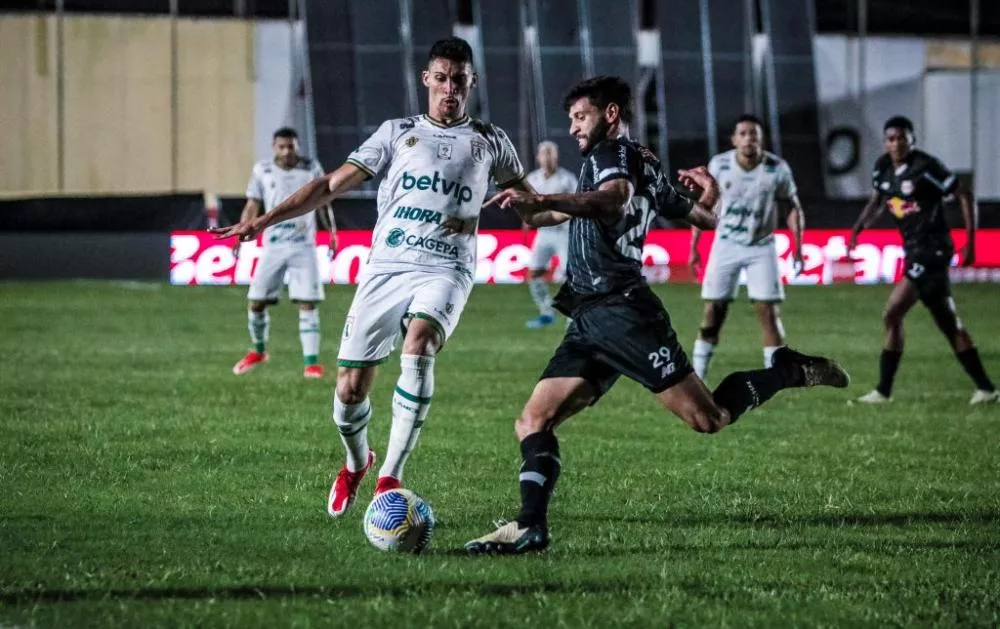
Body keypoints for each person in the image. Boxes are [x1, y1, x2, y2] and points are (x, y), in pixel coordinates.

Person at [463, 76, 849, 555]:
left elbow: (614, 199)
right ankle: (529, 527)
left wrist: (543, 198)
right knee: (532, 421)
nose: (573, 129)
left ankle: (787, 370)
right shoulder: (642, 161)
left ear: (609, 114)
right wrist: (710, 193)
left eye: (580, 117)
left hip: (625, 313)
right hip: (589, 316)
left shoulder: (611, 157)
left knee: (709, 418)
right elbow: (704, 219)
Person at [211, 37, 527, 516]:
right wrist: (263, 220)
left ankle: (389, 480)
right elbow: (329, 184)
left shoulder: (491, 141)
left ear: (472, 83)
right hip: (386, 267)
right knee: (349, 389)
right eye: (442, 79)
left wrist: (581, 204)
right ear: (426, 79)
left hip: (447, 267)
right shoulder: (397, 133)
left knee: (420, 344)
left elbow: (536, 207)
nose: (450, 89)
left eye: (459, 81)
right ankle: (358, 462)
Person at [847, 116, 997, 406]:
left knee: (893, 313)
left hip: (932, 250)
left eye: (902, 138)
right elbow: (878, 200)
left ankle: (883, 391)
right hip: (914, 250)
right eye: (891, 139)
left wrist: (971, 241)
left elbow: (964, 194)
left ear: (912, 140)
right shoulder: (883, 167)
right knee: (946, 322)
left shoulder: (926, 167)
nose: (897, 144)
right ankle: (985, 388)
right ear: (885, 142)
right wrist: (858, 228)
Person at [689, 115, 805, 381]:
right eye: (743, 133)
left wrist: (798, 246)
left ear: (762, 139)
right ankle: (698, 380)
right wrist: (694, 247)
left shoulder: (777, 168)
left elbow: (793, 208)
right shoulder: (719, 165)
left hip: (761, 246)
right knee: (713, 312)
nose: (749, 138)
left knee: (768, 313)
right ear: (734, 139)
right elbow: (703, 207)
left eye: (754, 133)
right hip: (725, 244)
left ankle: (773, 380)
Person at [231, 127, 333, 380]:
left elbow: (323, 202)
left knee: (307, 302)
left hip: (303, 246)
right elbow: (253, 204)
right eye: (282, 147)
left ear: (298, 146)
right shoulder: (262, 170)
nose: (287, 151)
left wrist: (332, 233)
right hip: (273, 246)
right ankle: (258, 351)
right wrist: (241, 233)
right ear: (274, 147)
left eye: (291, 146)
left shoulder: (311, 168)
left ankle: (311, 363)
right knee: (256, 301)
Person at [523, 140, 578, 328]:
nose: (547, 158)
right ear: (538, 157)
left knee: (570, 276)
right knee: (534, 273)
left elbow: (578, 203)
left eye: (550, 154)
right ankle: (546, 312)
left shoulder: (567, 179)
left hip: (564, 232)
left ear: (556, 157)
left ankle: (573, 317)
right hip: (543, 232)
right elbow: (527, 204)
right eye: (544, 154)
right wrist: (526, 220)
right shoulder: (533, 179)